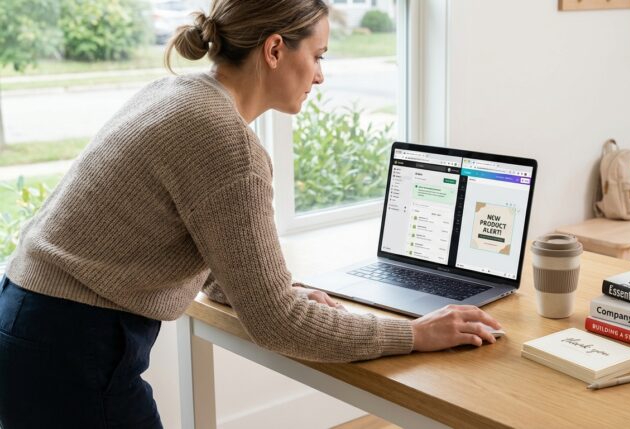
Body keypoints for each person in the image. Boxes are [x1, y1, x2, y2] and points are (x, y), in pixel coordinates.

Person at [0, 0, 501, 427]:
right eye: (319, 56)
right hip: (71, 347)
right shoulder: (225, 141)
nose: (322, 76)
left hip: (29, 321)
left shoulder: (178, 95)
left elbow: (199, 239)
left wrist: (259, 287)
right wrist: (413, 334)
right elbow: (276, 323)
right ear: (276, 49)